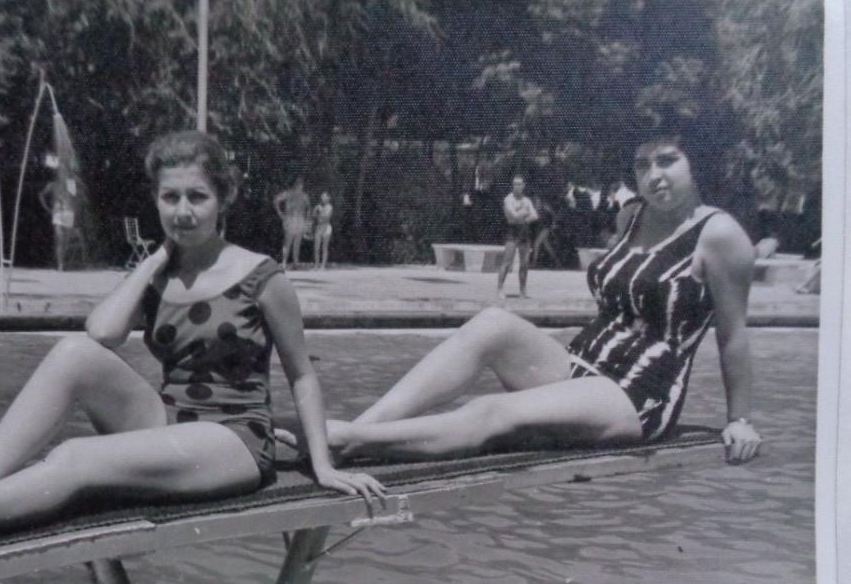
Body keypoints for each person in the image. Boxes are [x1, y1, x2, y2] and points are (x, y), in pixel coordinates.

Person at [0, 131, 383, 550]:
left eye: (197, 197)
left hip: (234, 440)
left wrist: (323, 465)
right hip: (165, 424)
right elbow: (101, 334)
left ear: (223, 200)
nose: (183, 212)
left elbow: (302, 374)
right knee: (71, 355)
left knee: (74, 456)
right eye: (170, 199)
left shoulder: (262, 276)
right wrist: (155, 261)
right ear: (156, 200)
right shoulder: (160, 272)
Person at [281, 131, 762, 466]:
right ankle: (354, 433)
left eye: (667, 160)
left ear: (695, 162)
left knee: (495, 413)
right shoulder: (630, 218)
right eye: (642, 164)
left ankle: (346, 436)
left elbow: (733, 336)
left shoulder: (719, 235)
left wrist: (738, 419)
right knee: (493, 322)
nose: (654, 174)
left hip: (638, 395)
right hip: (580, 365)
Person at [497, 175, 538, 298]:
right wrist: (525, 213)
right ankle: (500, 289)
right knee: (507, 262)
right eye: (515, 184)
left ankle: (522, 290)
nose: (517, 186)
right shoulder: (508, 199)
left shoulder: (527, 200)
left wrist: (524, 217)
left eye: (519, 184)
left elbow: (535, 216)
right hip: (512, 231)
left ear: (523, 186)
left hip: (524, 230)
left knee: (524, 263)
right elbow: (513, 216)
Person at [274, 176, 312, 270]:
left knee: (297, 243)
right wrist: (280, 213)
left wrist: (307, 219)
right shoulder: (288, 193)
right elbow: (276, 200)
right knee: (288, 242)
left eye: (301, 184)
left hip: (300, 220)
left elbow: (308, 207)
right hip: (290, 219)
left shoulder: (304, 195)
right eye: (298, 184)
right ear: (295, 185)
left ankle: (295, 263)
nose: (300, 186)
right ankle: (284, 263)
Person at [312, 191, 335, 270]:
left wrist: (320, 210)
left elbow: (326, 217)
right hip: (319, 227)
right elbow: (314, 216)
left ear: (328, 198)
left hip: (326, 227)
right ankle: (316, 265)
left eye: (324, 196)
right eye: (322, 197)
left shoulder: (330, 207)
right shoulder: (319, 206)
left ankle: (323, 266)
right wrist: (315, 211)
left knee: (324, 247)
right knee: (316, 247)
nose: (323, 198)